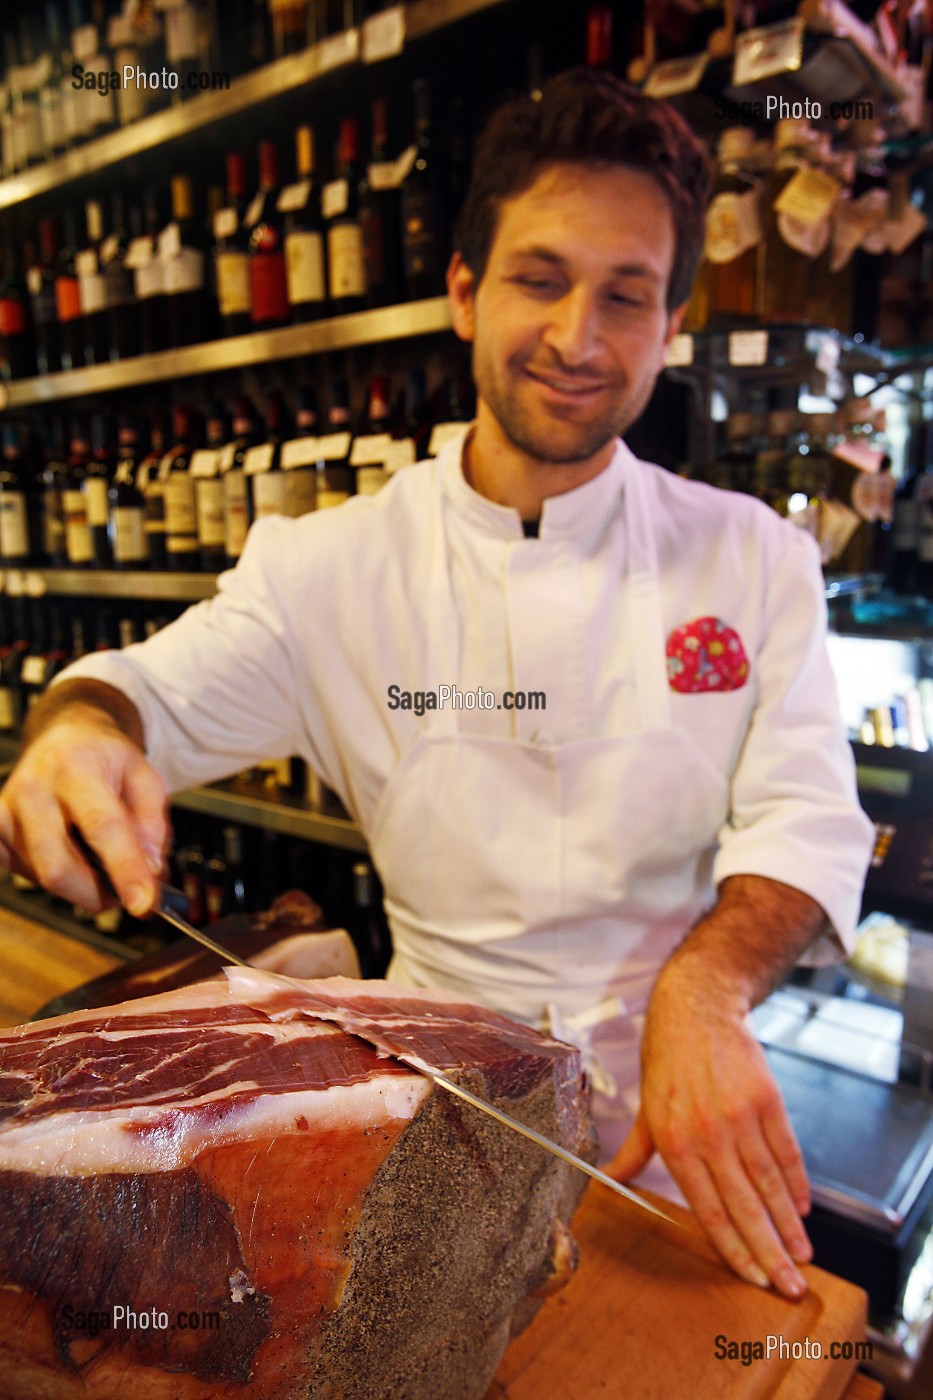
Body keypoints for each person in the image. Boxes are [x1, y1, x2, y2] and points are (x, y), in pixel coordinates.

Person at [0, 68, 873, 1303]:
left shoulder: (754, 556)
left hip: (673, 1133)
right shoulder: (326, 568)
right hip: (425, 1122)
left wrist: (708, 989)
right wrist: (75, 733)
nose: (579, 337)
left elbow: (807, 812)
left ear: (670, 325)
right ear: (464, 293)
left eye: (627, 296)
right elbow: (129, 696)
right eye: (539, 278)